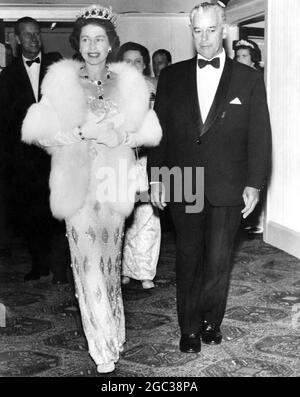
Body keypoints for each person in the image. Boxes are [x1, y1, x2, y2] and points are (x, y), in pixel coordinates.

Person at [21, 4, 162, 373]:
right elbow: (37, 132)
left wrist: (123, 134)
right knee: (89, 269)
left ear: (110, 43)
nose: (93, 46)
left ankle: (113, 331)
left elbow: (150, 130)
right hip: (78, 187)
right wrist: (83, 133)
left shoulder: (128, 81)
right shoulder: (60, 80)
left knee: (110, 265)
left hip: (114, 186)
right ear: (77, 43)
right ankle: (102, 347)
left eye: (100, 39)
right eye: (86, 39)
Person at [148, 2, 272, 354]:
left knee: (219, 260)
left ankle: (209, 321)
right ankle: (188, 328)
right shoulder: (171, 76)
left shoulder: (247, 79)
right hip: (183, 179)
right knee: (188, 257)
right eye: (197, 30)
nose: (204, 38)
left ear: (224, 30)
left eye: (211, 30)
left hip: (229, 183)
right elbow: (160, 133)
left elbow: (260, 134)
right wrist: (157, 177)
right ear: (192, 32)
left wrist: (255, 183)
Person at [0, 17, 69, 283]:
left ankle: (60, 268)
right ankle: (38, 264)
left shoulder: (56, 66)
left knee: (59, 214)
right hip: (25, 160)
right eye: (27, 35)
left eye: (36, 33)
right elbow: (5, 120)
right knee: (32, 215)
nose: (33, 38)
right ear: (16, 39)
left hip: (58, 154)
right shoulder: (8, 75)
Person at [117, 42, 161, 290]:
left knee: (147, 213)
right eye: (127, 60)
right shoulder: (112, 89)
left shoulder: (155, 88)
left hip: (147, 159)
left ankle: (144, 271)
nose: (132, 65)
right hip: (120, 160)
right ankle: (124, 267)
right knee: (124, 213)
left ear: (145, 64)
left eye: (137, 61)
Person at [234, 38, 265, 234]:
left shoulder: (257, 78)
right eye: (237, 56)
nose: (239, 59)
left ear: (253, 59)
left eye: (244, 56)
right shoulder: (234, 77)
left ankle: (256, 219)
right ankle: (245, 217)